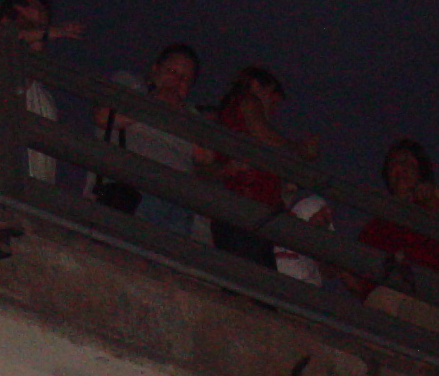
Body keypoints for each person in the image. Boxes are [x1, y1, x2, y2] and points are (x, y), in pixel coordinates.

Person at [203, 67, 317, 266]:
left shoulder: (227, 119)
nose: (272, 108)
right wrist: (298, 148)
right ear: (256, 85)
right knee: (252, 281)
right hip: (247, 209)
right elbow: (263, 134)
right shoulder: (248, 101)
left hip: (244, 211)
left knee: (248, 279)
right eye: (271, 97)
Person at [356, 139, 439, 330]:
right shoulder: (374, 225)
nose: (401, 169)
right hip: (386, 299)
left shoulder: (430, 211)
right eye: (395, 163)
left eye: (408, 163)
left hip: (428, 298)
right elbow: (358, 279)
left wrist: (434, 193)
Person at [95, 43, 206, 236]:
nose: (176, 81)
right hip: (136, 192)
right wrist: (154, 102)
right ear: (155, 68)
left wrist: (180, 114)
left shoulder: (192, 114)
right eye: (171, 71)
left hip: (179, 203)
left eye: (185, 78)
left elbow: (205, 156)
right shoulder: (130, 84)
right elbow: (103, 117)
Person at [0, 0, 60, 187]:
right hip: (3, 181)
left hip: (35, 192)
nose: (41, 15)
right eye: (35, 8)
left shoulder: (44, 97)